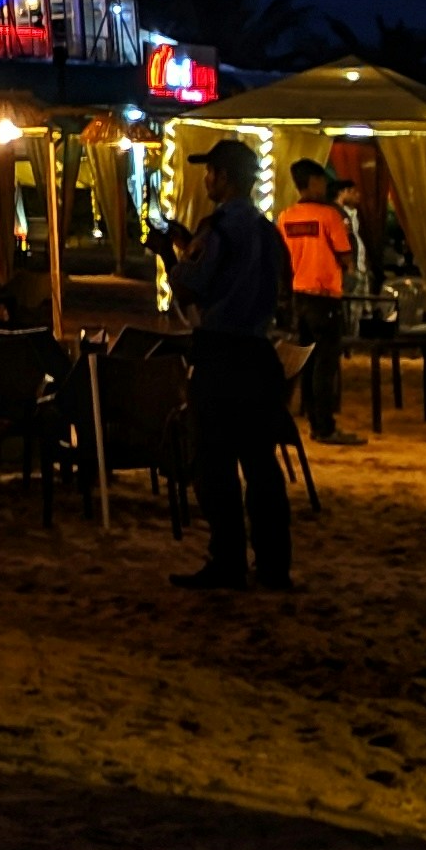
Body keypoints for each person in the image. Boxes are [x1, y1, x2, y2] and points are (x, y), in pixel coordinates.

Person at [149, 138, 295, 593]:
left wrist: (168, 254)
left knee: (213, 463)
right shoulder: (268, 232)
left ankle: (227, 559)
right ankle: (274, 565)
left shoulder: (217, 230)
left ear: (225, 177)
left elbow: (192, 289)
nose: (206, 179)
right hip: (258, 355)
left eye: (210, 172)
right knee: (261, 466)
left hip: (221, 354)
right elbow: (281, 287)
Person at [278, 159, 357, 445]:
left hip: (298, 296)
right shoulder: (330, 216)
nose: (325, 186)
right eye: (322, 180)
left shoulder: (286, 216)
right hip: (325, 298)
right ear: (311, 182)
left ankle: (312, 420)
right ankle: (324, 426)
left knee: (307, 363)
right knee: (325, 364)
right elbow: (346, 256)